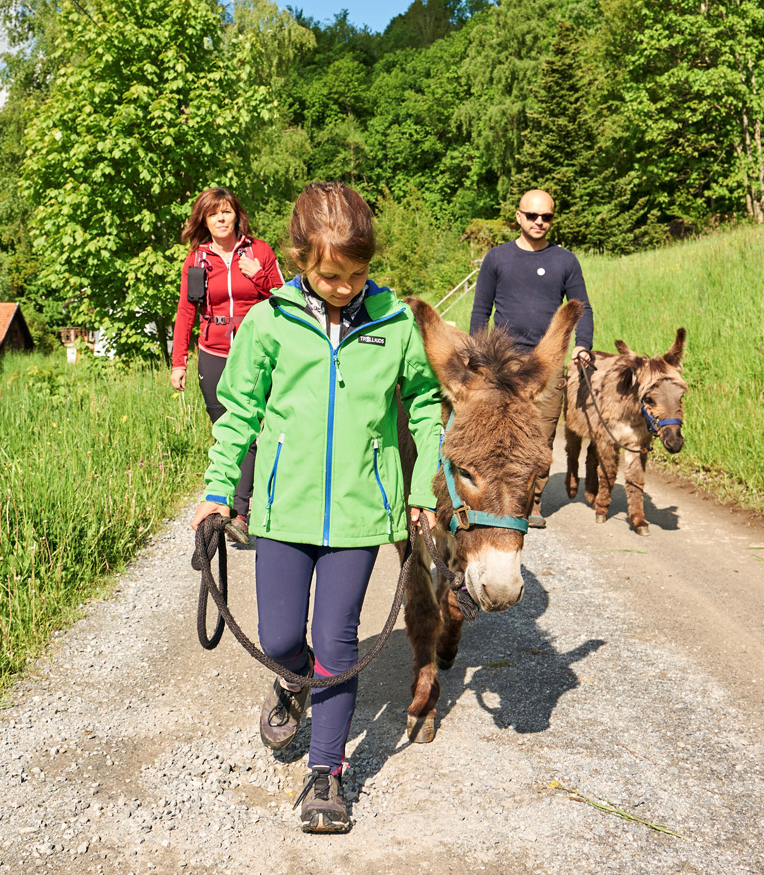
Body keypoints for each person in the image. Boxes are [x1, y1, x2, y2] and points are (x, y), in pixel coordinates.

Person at [188, 182, 443, 833]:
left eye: (356, 274)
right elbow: (238, 412)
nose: (344, 286)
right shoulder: (270, 323)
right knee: (280, 640)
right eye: (331, 275)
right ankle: (289, 681)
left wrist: (421, 492)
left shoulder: (394, 321)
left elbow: (422, 402)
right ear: (301, 258)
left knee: (335, 642)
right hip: (282, 511)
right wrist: (220, 491)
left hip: (360, 516)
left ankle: (326, 774)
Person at [469, 188, 594, 528]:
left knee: (541, 433)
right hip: (503, 361)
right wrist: (478, 357)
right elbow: (482, 309)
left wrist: (582, 344)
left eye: (547, 217)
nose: (540, 222)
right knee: (501, 432)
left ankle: (532, 501)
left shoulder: (565, 261)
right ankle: (501, 495)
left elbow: (582, 307)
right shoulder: (497, 258)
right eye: (533, 216)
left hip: (547, 364)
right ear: (519, 217)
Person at [171, 187, 284, 544]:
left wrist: (259, 276)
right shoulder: (197, 260)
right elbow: (186, 312)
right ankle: (229, 502)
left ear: (237, 215)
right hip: (214, 350)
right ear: (204, 221)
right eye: (212, 214)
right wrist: (179, 362)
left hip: (257, 351)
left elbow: (287, 297)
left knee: (251, 430)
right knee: (225, 428)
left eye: (226, 212)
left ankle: (239, 511)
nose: (220, 219)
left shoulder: (260, 251)